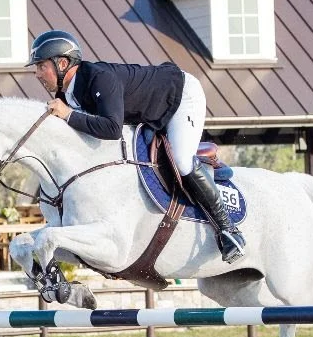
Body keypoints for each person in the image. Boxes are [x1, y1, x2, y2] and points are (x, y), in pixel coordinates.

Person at [28, 29, 245, 263]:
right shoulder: (67, 92)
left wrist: (69, 115)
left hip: (181, 96)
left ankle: (228, 230)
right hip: (150, 111)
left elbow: (111, 128)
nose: (38, 73)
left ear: (62, 63)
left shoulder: (98, 78)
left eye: (41, 66)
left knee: (182, 159)